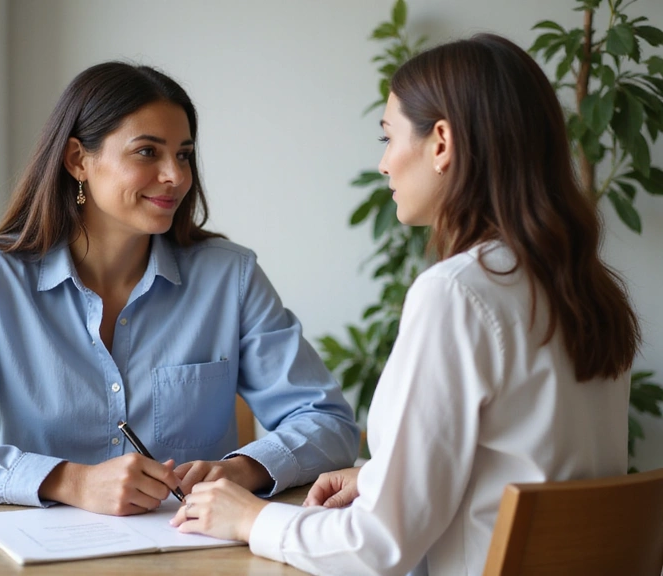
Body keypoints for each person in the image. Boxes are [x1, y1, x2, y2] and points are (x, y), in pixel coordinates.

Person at [169, 33, 641, 575]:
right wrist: (378, 476)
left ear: (441, 142)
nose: (384, 164)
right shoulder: (585, 288)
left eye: (388, 136)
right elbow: (524, 464)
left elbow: (378, 549)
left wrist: (251, 518)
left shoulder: (458, 293)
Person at [0, 62, 359, 515]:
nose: (175, 176)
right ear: (78, 159)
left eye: (183, 154)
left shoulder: (229, 277)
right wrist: (70, 480)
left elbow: (329, 423)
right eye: (147, 152)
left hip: (193, 554)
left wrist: (243, 469)